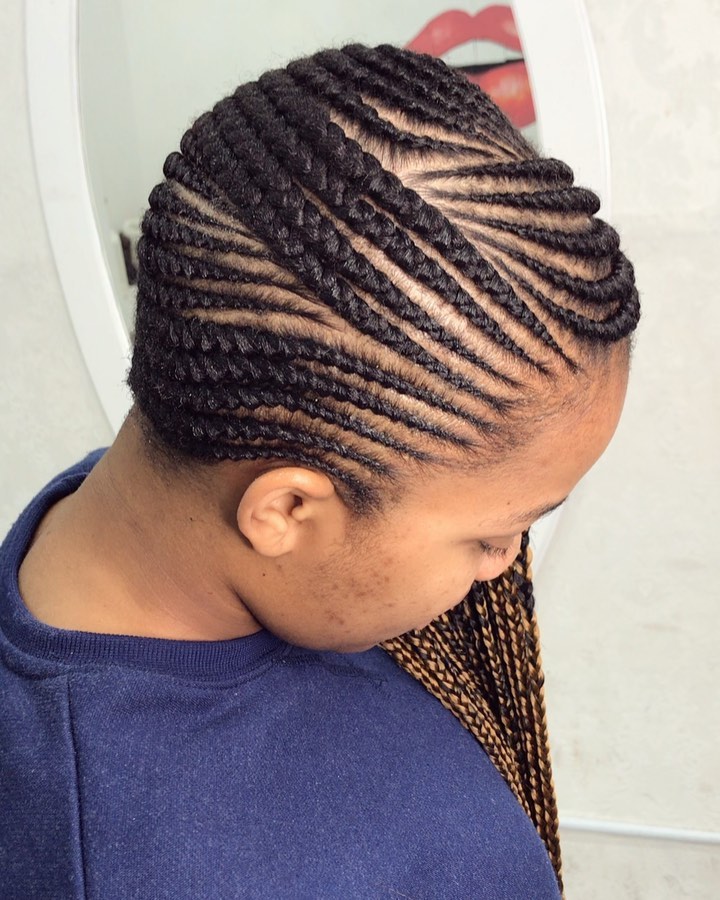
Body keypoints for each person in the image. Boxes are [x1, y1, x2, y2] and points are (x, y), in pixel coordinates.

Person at [0, 43, 639, 899]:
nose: (505, 565)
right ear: (286, 511)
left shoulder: (125, 505)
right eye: (493, 536)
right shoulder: (134, 861)